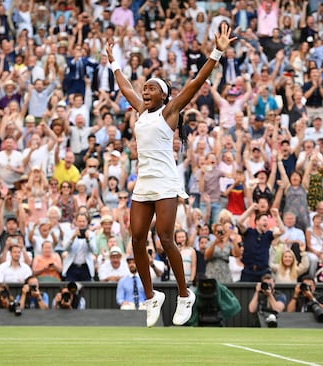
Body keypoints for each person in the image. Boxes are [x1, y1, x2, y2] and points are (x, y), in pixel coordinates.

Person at [106, 22, 236, 327]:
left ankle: (183, 293)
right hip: (144, 182)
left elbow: (196, 82)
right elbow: (125, 86)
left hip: (165, 182)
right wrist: (113, 61)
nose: (145, 90)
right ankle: (152, 298)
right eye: (145, 87)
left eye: (152, 88)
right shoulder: (140, 110)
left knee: (164, 237)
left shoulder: (170, 111)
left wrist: (217, 50)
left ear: (165, 97)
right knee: (137, 238)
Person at [237, 206, 286, 282]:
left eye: (267, 221)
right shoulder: (248, 232)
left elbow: (282, 231)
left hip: (263, 272)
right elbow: (239, 221)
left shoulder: (268, 235)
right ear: (257, 222)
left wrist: (277, 216)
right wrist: (251, 209)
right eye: (264, 220)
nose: (266, 222)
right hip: (248, 271)